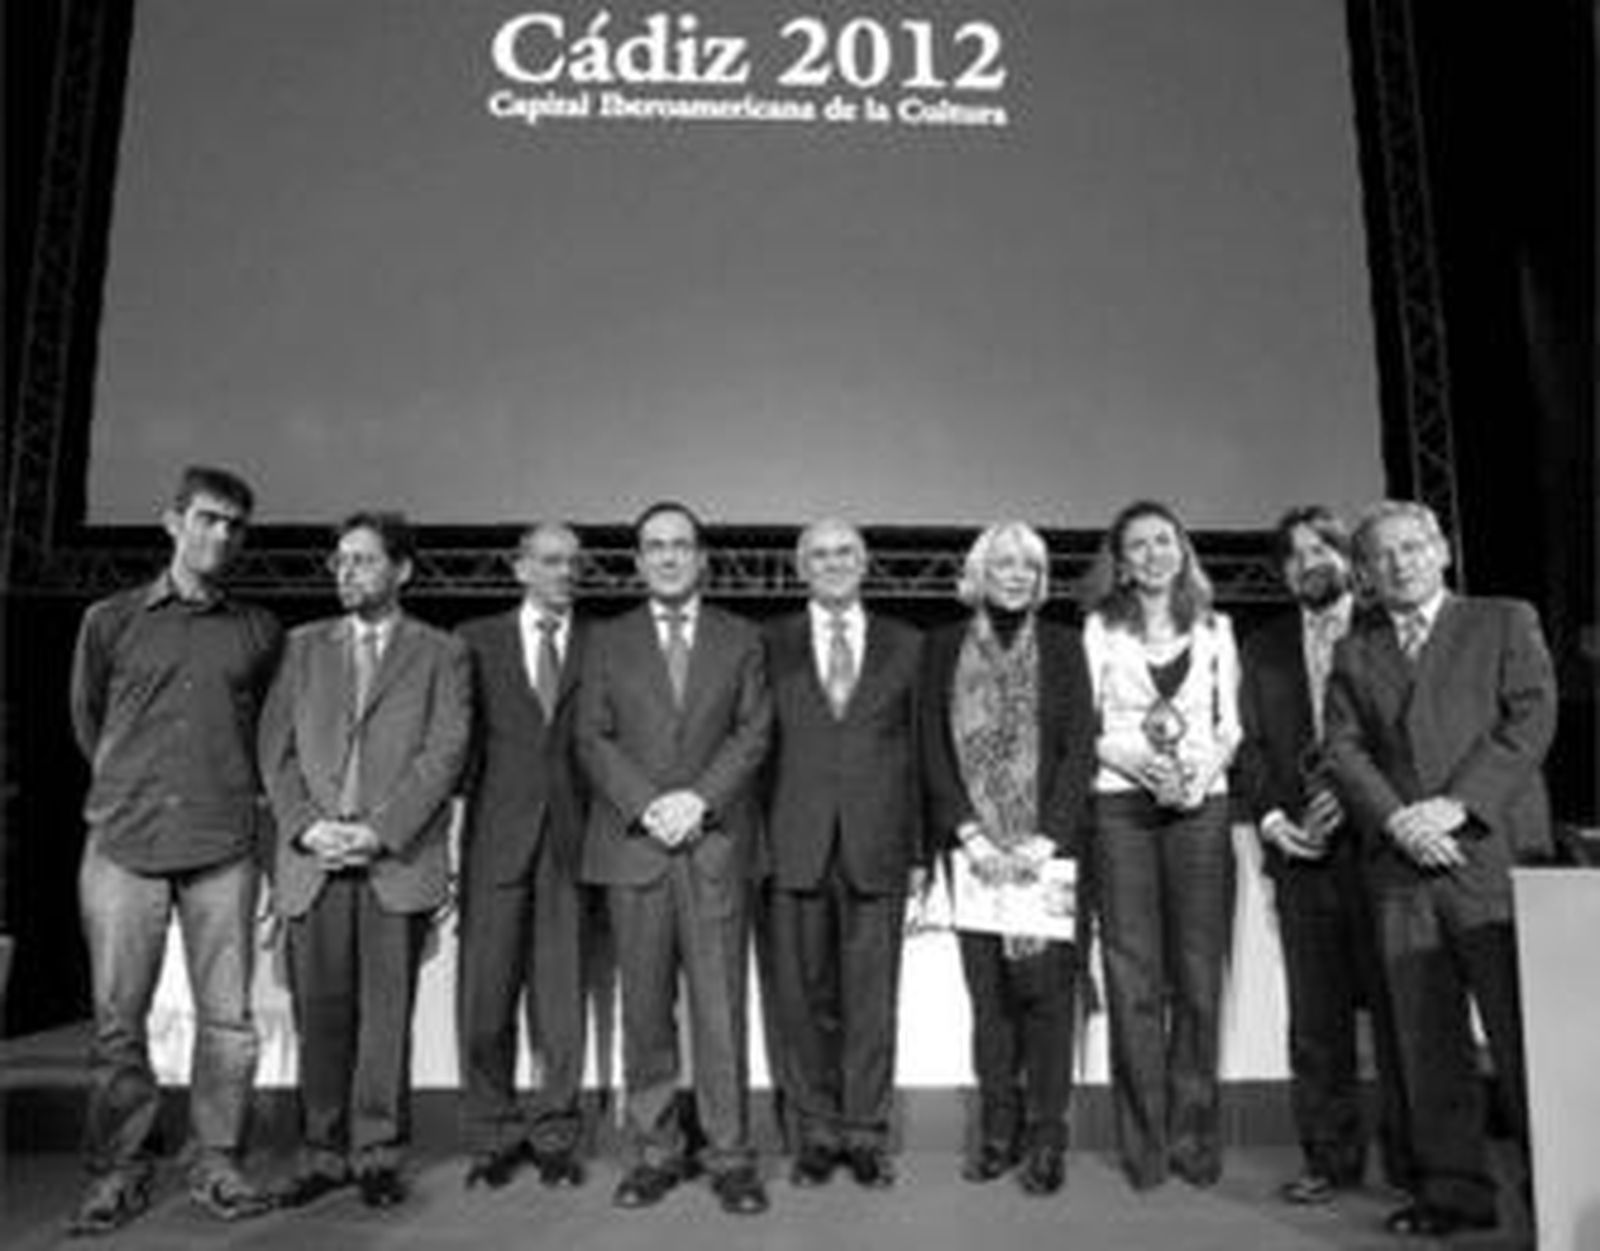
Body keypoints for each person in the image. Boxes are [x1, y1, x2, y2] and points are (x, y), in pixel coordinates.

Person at [1324, 500, 1555, 1239]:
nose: (1400, 562)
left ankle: (1557, 1189)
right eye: (1382, 554)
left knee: (1525, 1037)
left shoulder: (1504, 618)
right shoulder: (1355, 648)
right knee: (1427, 1042)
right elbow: (1343, 749)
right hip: (1401, 865)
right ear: (1364, 572)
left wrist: (1456, 806)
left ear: (1442, 550)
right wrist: (1398, 819)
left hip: (1492, 855)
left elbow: (1531, 719)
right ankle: (1455, 1193)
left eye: (1413, 546)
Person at [66, 465, 282, 1235]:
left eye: (234, 525)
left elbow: (267, 740)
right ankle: (119, 1169)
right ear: (172, 521)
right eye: (208, 519)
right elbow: (90, 719)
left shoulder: (258, 630)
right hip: (124, 843)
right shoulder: (111, 619)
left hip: (223, 846)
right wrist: (134, 788)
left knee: (228, 1022)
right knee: (118, 1022)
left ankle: (217, 1160)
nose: (221, 535)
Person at [260, 511, 471, 1210]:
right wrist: (306, 827)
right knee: (320, 1015)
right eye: (340, 561)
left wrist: (379, 832)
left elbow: (445, 753)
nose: (346, 572)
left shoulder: (442, 651)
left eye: (363, 560)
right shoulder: (300, 647)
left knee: (386, 1018)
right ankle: (321, 1152)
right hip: (314, 860)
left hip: (393, 861)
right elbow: (275, 753)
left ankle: (377, 1153)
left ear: (401, 569)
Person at [576, 501, 773, 1215]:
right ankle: (656, 1153)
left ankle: (730, 1157)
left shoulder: (741, 636)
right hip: (637, 847)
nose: (667, 556)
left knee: (721, 1011)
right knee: (646, 1009)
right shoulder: (605, 639)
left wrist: (699, 801)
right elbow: (592, 737)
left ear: (701, 558)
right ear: (637, 561)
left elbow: (754, 732)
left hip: (713, 844)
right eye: (654, 546)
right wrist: (648, 804)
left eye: (680, 545)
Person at [1236, 506, 1413, 1204]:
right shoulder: (1264, 646)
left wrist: (1366, 800)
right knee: (1317, 1020)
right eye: (1294, 553)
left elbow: (1412, 739)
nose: (1308, 561)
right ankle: (1330, 1159)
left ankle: (1413, 1161)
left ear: (1350, 559)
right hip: (1302, 855)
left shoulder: (1387, 630)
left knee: (1405, 1013)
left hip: (1385, 850)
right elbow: (1249, 749)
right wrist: (1275, 819)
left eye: (1322, 548)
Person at [922, 521, 1096, 1196]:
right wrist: (967, 831)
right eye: (1004, 563)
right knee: (989, 1001)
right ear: (979, 572)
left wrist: (1045, 837)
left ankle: (1046, 1137)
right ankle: (999, 1132)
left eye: (1029, 564)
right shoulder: (939, 648)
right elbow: (928, 746)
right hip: (972, 853)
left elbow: (1080, 746)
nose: (1017, 574)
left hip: (1044, 855)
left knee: (1047, 1001)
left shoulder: (1064, 645)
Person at [1081, 499, 1241, 1191]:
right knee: (1133, 976)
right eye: (1137, 544)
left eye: (1163, 540)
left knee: (1199, 977)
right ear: (1120, 560)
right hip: (1121, 808)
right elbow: (1088, 726)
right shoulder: (1098, 628)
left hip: (1199, 810)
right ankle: (1144, 1144)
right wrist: (1139, 765)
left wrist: (1198, 775)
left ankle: (1193, 1134)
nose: (1152, 553)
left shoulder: (1216, 627)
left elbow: (1229, 725)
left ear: (1182, 549)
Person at [762, 519, 925, 1190]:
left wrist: (917, 851)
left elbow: (918, 754)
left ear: (866, 564)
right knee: (800, 1002)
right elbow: (753, 745)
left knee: (872, 1001)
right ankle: (815, 1135)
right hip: (791, 845)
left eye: (845, 553)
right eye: (819, 554)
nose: (833, 563)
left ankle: (865, 1135)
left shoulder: (908, 644)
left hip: (877, 846)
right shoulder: (767, 642)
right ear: (801, 567)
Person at [455, 522, 591, 1190]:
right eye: (550, 560)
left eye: (573, 561)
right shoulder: (474, 641)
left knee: (561, 1004)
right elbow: (458, 744)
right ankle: (493, 1132)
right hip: (494, 840)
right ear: (519, 568)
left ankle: (557, 1134)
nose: (564, 571)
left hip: (573, 841)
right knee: (486, 999)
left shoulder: (601, 642)